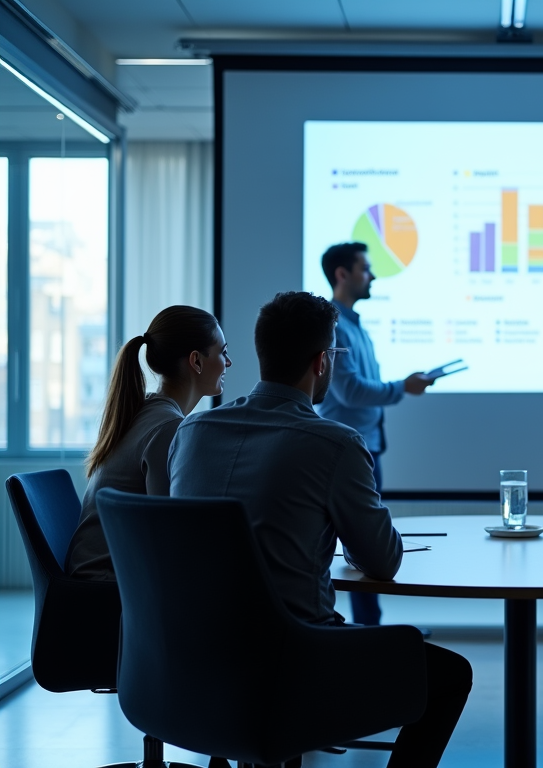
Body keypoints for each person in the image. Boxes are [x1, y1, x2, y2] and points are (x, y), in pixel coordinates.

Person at [168, 291, 471, 768]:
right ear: (322, 361)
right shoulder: (335, 443)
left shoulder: (191, 433)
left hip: (192, 657)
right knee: (449, 675)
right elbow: (384, 561)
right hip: (294, 660)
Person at [317, 241, 437, 626]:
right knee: (361, 544)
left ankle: (372, 628)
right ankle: (368, 631)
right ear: (342, 274)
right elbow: (349, 391)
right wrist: (402, 387)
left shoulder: (354, 324)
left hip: (367, 444)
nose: (372, 276)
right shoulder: (333, 326)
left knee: (367, 546)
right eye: (365, 268)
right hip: (345, 448)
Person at [65, 306, 230, 581]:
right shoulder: (168, 428)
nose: (229, 362)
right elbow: (166, 535)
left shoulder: (145, 411)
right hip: (107, 586)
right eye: (223, 352)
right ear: (196, 361)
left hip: (98, 575)